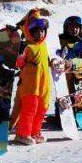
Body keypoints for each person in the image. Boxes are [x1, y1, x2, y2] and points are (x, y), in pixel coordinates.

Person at [13, 17, 51, 145]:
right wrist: (20, 52)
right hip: (30, 85)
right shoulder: (28, 47)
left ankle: (35, 132)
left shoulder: (44, 46)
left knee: (42, 108)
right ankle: (22, 134)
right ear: (31, 33)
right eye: (36, 31)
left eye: (42, 31)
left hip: (43, 85)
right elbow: (18, 63)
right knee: (30, 109)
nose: (40, 33)